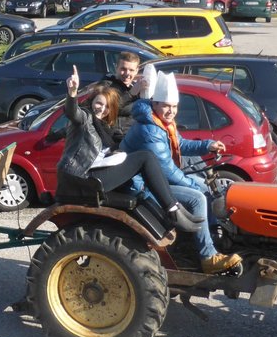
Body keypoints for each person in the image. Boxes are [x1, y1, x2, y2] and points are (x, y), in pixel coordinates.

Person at [121, 66, 242, 274]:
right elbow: (166, 170)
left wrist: (208, 145)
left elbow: (181, 144)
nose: (171, 111)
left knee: (208, 187)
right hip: (142, 185)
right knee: (198, 197)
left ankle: (213, 238)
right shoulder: (149, 129)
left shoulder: (161, 121)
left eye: (174, 106)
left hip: (156, 178)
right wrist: (192, 184)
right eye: (166, 106)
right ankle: (208, 256)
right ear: (155, 104)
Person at [59, 65, 200, 235]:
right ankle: (172, 211)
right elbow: (72, 112)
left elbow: (108, 146)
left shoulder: (106, 127)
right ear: (92, 102)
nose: (102, 109)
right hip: (82, 179)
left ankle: (173, 209)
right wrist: (72, 92)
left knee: (141, 171)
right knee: (145, 158)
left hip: (95, 174)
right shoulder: (84, 119)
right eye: (99, 103)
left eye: (107, 107)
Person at [99, 50, 146, 137]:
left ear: (136, 71)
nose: (127, 73)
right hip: (116, 138)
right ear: (116, 67)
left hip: (135, 135)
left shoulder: (135, 87)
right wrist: (131, 94)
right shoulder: (106, 85)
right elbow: (109, 107)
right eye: (123, 69)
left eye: (131, 70)